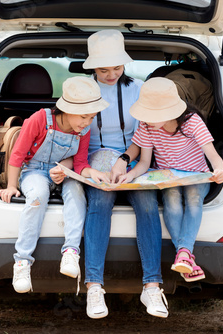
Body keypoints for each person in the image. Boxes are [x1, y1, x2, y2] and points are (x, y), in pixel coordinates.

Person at [81, 29, 168, 319]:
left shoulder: (138, 88)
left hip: (134, 157)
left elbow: (143, 135)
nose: (111, 74)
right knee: (100, 202)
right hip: (96, 157)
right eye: (104, 69)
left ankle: (152, 285)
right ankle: (94, 286)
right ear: (92, 67)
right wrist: (97, 166)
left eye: (117, 68)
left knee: (146, 205)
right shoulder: (82, 90)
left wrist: (124, 159)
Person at [0, 76, 110, 294]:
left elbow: (80, 164)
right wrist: (12, 185)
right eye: (83, 117)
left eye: (92, 117)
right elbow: (18, 155)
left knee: (77, 192)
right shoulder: (39, 119)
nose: (87, 123)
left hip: (64, 172)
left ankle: (71, 251)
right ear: (66, 109)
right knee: (37, 196)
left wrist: (91, 172)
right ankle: (22, 261)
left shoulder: (84, 130)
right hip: (35, 171)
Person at [119, 77, 223, 283]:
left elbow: (213, 157)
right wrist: (129, 175)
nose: (148, 119)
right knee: (172, 200)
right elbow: (144, 162)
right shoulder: (147, 126)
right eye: (146, 114)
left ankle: (184, 251)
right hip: (168, 177)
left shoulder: (193, 121)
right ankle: (186, 257)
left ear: (171, 111)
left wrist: (218, 170)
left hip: (197, 175)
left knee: (194, 197)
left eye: (153, 115)